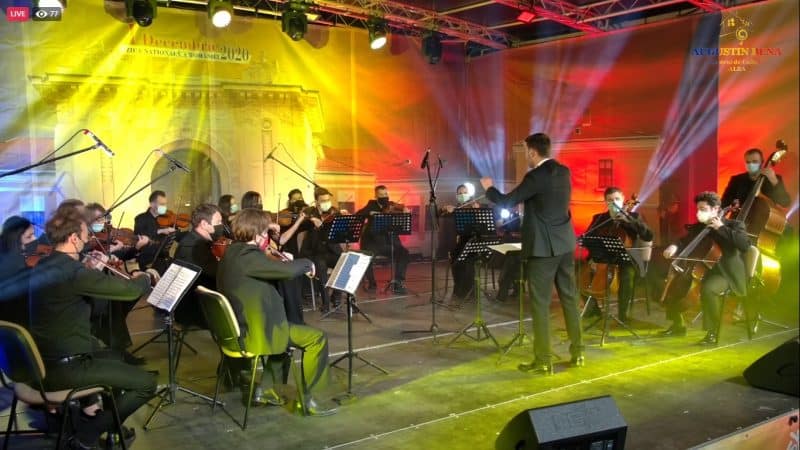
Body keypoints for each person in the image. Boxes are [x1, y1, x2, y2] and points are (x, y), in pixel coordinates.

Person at [28, 207, 157, 449]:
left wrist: (89, 269)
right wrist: (145, 275)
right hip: (65, 368)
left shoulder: (45, 264)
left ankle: (107, 424)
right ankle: (89, 433)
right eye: (86, 235)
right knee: (146, 384)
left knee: (116, 356)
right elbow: (130, 291)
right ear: (73, 238)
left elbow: (75, 297)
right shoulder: (72, 272)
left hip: (41, 361)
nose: (88, 240)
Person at [480, 132, 584, 375]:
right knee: (569, 298)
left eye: (526, 151)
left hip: (543, 249)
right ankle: (578, 353)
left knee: (540, 303)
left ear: (533, 152)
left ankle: (544, 361)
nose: (526, 155)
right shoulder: (564, 172)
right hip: (565, 244)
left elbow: (507, 201)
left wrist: (489, 188)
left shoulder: (535, 176)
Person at [217, 209, 337, 415]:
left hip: (239, 328)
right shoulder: (248, 257)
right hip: (256, 332)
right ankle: (312, 399)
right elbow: (287, 271)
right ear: (256, 234)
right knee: (316, 339)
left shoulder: (232, 252)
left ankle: (265, 391)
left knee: (283, 345)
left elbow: (265, 269)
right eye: (265, 232)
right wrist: (307, 263)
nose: (267, 237)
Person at [660, 191, 750, 345]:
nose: (698, 213)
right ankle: (678, 325)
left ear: (715, 209)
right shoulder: (700, 227)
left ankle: (712, 332)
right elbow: (683, 240)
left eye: (703, 209)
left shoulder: (734, 225)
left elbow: (745, 245)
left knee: (708, 289)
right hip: (702, 269)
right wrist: (673, 246)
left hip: (725, 273)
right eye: (698, 209)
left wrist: (721, 228)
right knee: (674, 283)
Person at [583, 187, 653, 323]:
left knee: (627, 276)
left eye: (617, 199)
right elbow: (588, 239)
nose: (614, 202)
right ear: (605, 202)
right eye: (610, 200)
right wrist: (593, 257)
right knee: (579, 274)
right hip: (603, 258)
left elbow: (648, 236)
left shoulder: (634, 217)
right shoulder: (600, 218)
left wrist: (629, 221)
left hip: (626, 258)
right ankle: (594, 309)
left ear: (622, 200)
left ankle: (622, 315)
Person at [173, 203, 225, 328]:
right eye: (218, 222)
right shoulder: (195, 246)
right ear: (204, 224)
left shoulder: (194, 240)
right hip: (195, 311)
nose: (221, 225)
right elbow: (216, 274)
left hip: (195, 305)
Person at [356, 185, 411, 294]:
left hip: (389, 242)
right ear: (376, 196)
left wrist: (406, 211)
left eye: (385, 194)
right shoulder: (371, 204)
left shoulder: (391, 205)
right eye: (381, 195)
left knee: (404, 253)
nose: (384, 196)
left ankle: (398, 282)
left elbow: (404, 209)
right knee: (365, 257)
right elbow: (359, 214)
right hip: (373, 243)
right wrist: (370, 213)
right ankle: (372, 283)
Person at [301, 188, 345, 313]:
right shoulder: (310, 213)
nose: (327, 203)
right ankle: (325, 302)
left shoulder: (333, 213)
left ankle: (336, 296)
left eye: (328, 200)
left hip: (331, 251)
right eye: (323, 200)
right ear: (317, 202)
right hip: (314, 252)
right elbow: (311, 239)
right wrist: (314, 224)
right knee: (320, 264)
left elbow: (337, 234)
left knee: (343, 261)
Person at [441, 184, 480, 303]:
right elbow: (440, 213)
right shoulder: (455, 209)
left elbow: (481, 227)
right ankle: (459, 289)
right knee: (455, 259)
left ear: (469, 194)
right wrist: (444, 208)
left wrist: (477, 211)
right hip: (458, 243)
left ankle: (470, 292)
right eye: (460, 193)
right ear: (457, 195)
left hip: (472, 242)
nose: (463, 195)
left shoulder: (474, 207)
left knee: (467, 261)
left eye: (465, 192)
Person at [721, 148, 791, 209]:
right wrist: (731, 204)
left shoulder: (773, 179)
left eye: (755, 162)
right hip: (738, 218)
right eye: (748, 162)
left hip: (761, 219)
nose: (751, 165)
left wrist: (774, 180)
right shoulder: (736, 180)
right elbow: (723, 204)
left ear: (762, 162)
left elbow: (785, 202)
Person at [0, 216, 37, 326]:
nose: (34, 239)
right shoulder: (17, 267)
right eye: (29, 237)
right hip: (15, 326)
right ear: (15, 239)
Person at [133, 190, 176, 271]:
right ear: (152, 204)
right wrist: (160, 231)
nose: (165, 207)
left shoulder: (166, 219)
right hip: (147, 261)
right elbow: (139, 235)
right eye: (162, 204)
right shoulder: (140, 218)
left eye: (165, 204)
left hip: (163, 259)